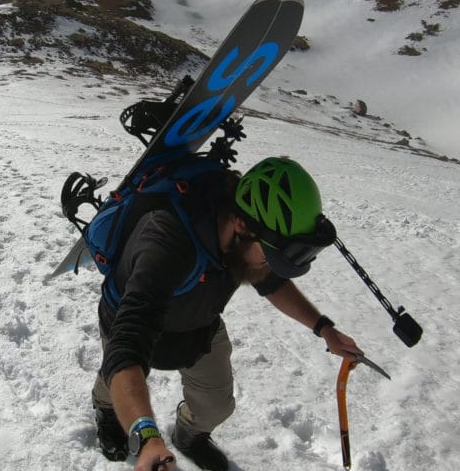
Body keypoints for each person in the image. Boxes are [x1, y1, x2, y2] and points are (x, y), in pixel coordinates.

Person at [92, 156, 363, 471]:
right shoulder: (166, 242)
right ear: (242, 225)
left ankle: (188, 435)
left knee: (216, 405)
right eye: (271, 256)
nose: (271, 266)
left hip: (198, 328)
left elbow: (272, 282)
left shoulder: (248, 243)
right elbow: (126, 351)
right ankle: (107, 411)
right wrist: (148, 436)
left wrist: (324, 328)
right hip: (129, 321)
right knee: (114, 376)